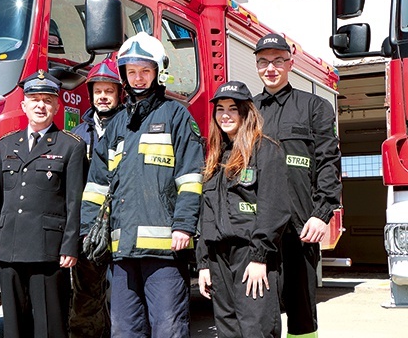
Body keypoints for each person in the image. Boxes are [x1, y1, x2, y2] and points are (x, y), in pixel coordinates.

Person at [80, 31, 204, 337]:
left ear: (158, 72)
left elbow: (191, 176)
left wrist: (184, 225)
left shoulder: (177, 116)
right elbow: (97, 185)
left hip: (164, 252)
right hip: (122, 251)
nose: (138, 78)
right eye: (132, 71)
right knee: (124, 329)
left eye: (145, 71)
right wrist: (87, 231)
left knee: (168, 328)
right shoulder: (117, 124)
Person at [252, 33, 342, 338]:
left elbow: (328, 162)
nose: (271, 68)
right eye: (263, 62)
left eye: (278, 60)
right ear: (257, 66)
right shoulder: (248, 112)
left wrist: (323, 212)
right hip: (257, 229)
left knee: (301, 312)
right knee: (260, 309)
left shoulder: (314, 107)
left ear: (290, 63)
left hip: (300, 226)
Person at [0, 70, 87, 338]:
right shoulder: (6, 144)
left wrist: (70, 245)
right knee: (13, 326)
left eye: (47, 99)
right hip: (9, 246)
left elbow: (74, 200)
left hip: (49, 250)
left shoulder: (71, 146)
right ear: (24, 105)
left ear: (57, 105)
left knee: (50, 324)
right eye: (34, 99)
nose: (40, 105)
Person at [196, 81, 291, 338]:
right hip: (219, 258)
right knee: (228, 329)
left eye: (233, 109)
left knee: (255, 328)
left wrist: (260, 257)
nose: (225, 115)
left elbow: (276, 209)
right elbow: (207, 214)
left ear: (246, 113)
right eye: (220, 109)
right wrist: (204, 262)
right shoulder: (215, 158)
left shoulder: (266, 150)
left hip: (250, 256)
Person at [69, 58, 123, 338]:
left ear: (119, 94)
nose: (103, 96)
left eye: (109, 91)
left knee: (126, 299)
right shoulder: (78, 135)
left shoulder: (131, 128)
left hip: (123, 223)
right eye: (98, 91)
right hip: (90, 227)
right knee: (87, 294)